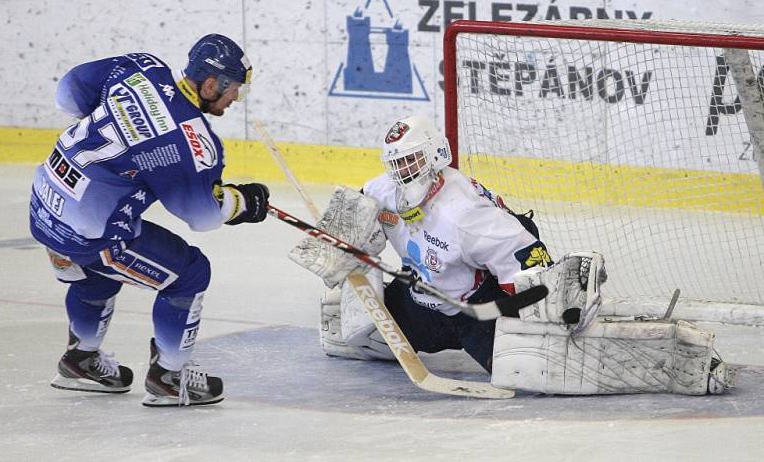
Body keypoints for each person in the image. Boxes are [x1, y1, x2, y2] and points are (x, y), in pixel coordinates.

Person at [291, 115, 737, 396]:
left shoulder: (466, 214)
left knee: (534, 366)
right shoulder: (383, 190)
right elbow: (347, 230)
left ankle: (670, 358)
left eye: (410, 162)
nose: (402, 173)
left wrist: (523, 309)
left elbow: (530, 264)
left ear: (435, 158)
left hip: (476, 307)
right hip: (424, 301)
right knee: (350, 334)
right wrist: (339, 243)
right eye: (396, 164)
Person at [29, 34, 270, 407]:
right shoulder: (191, 139)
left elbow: (68, 93)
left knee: (96, 276)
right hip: (89, 233)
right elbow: (202, 215)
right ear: (210, 84)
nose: (236, 98)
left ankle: (80, 360)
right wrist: (242, 203)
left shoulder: (139, 68)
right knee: (189, 272)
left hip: (45, 203)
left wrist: (126, 132)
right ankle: (169, 376)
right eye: (234, 89)